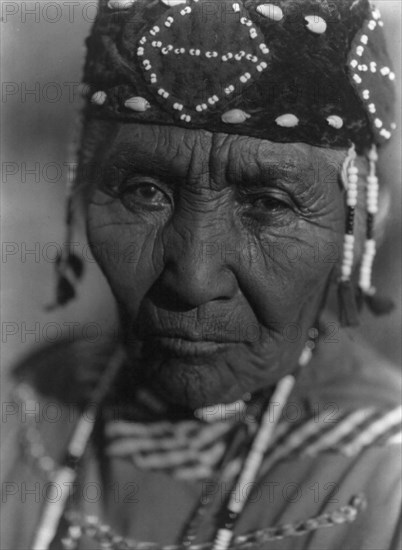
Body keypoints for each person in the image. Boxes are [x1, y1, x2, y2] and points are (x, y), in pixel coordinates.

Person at [1, 0, 401, 548]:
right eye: (146, 193)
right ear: (82, 188)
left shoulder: (386, 481)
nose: (192, 279)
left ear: (361, 219)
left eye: (268, 203)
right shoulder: (26, 413)